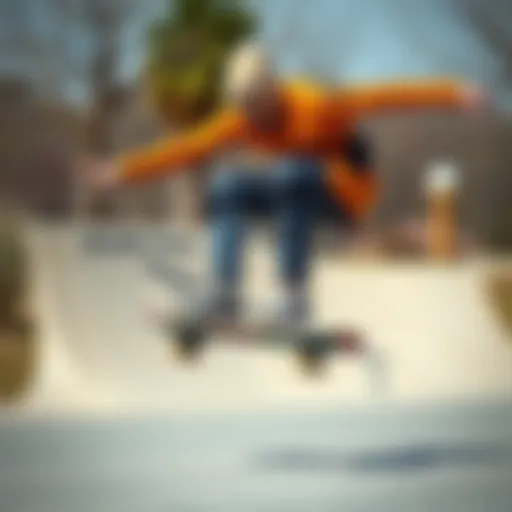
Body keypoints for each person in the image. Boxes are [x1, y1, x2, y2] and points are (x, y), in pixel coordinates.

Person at [88, 42, 488, 326]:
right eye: (243, 105)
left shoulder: (316, 103)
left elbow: (389, 96)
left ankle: (293, 295)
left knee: (292, 171)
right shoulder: (239, 119)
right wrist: (120, 171)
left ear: (273, 90)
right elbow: (186, 148)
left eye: (256, 104)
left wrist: (456, 94)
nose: (251, 116)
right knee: (228, 184)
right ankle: (226, 293)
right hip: (294, 197)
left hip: (346, 197)